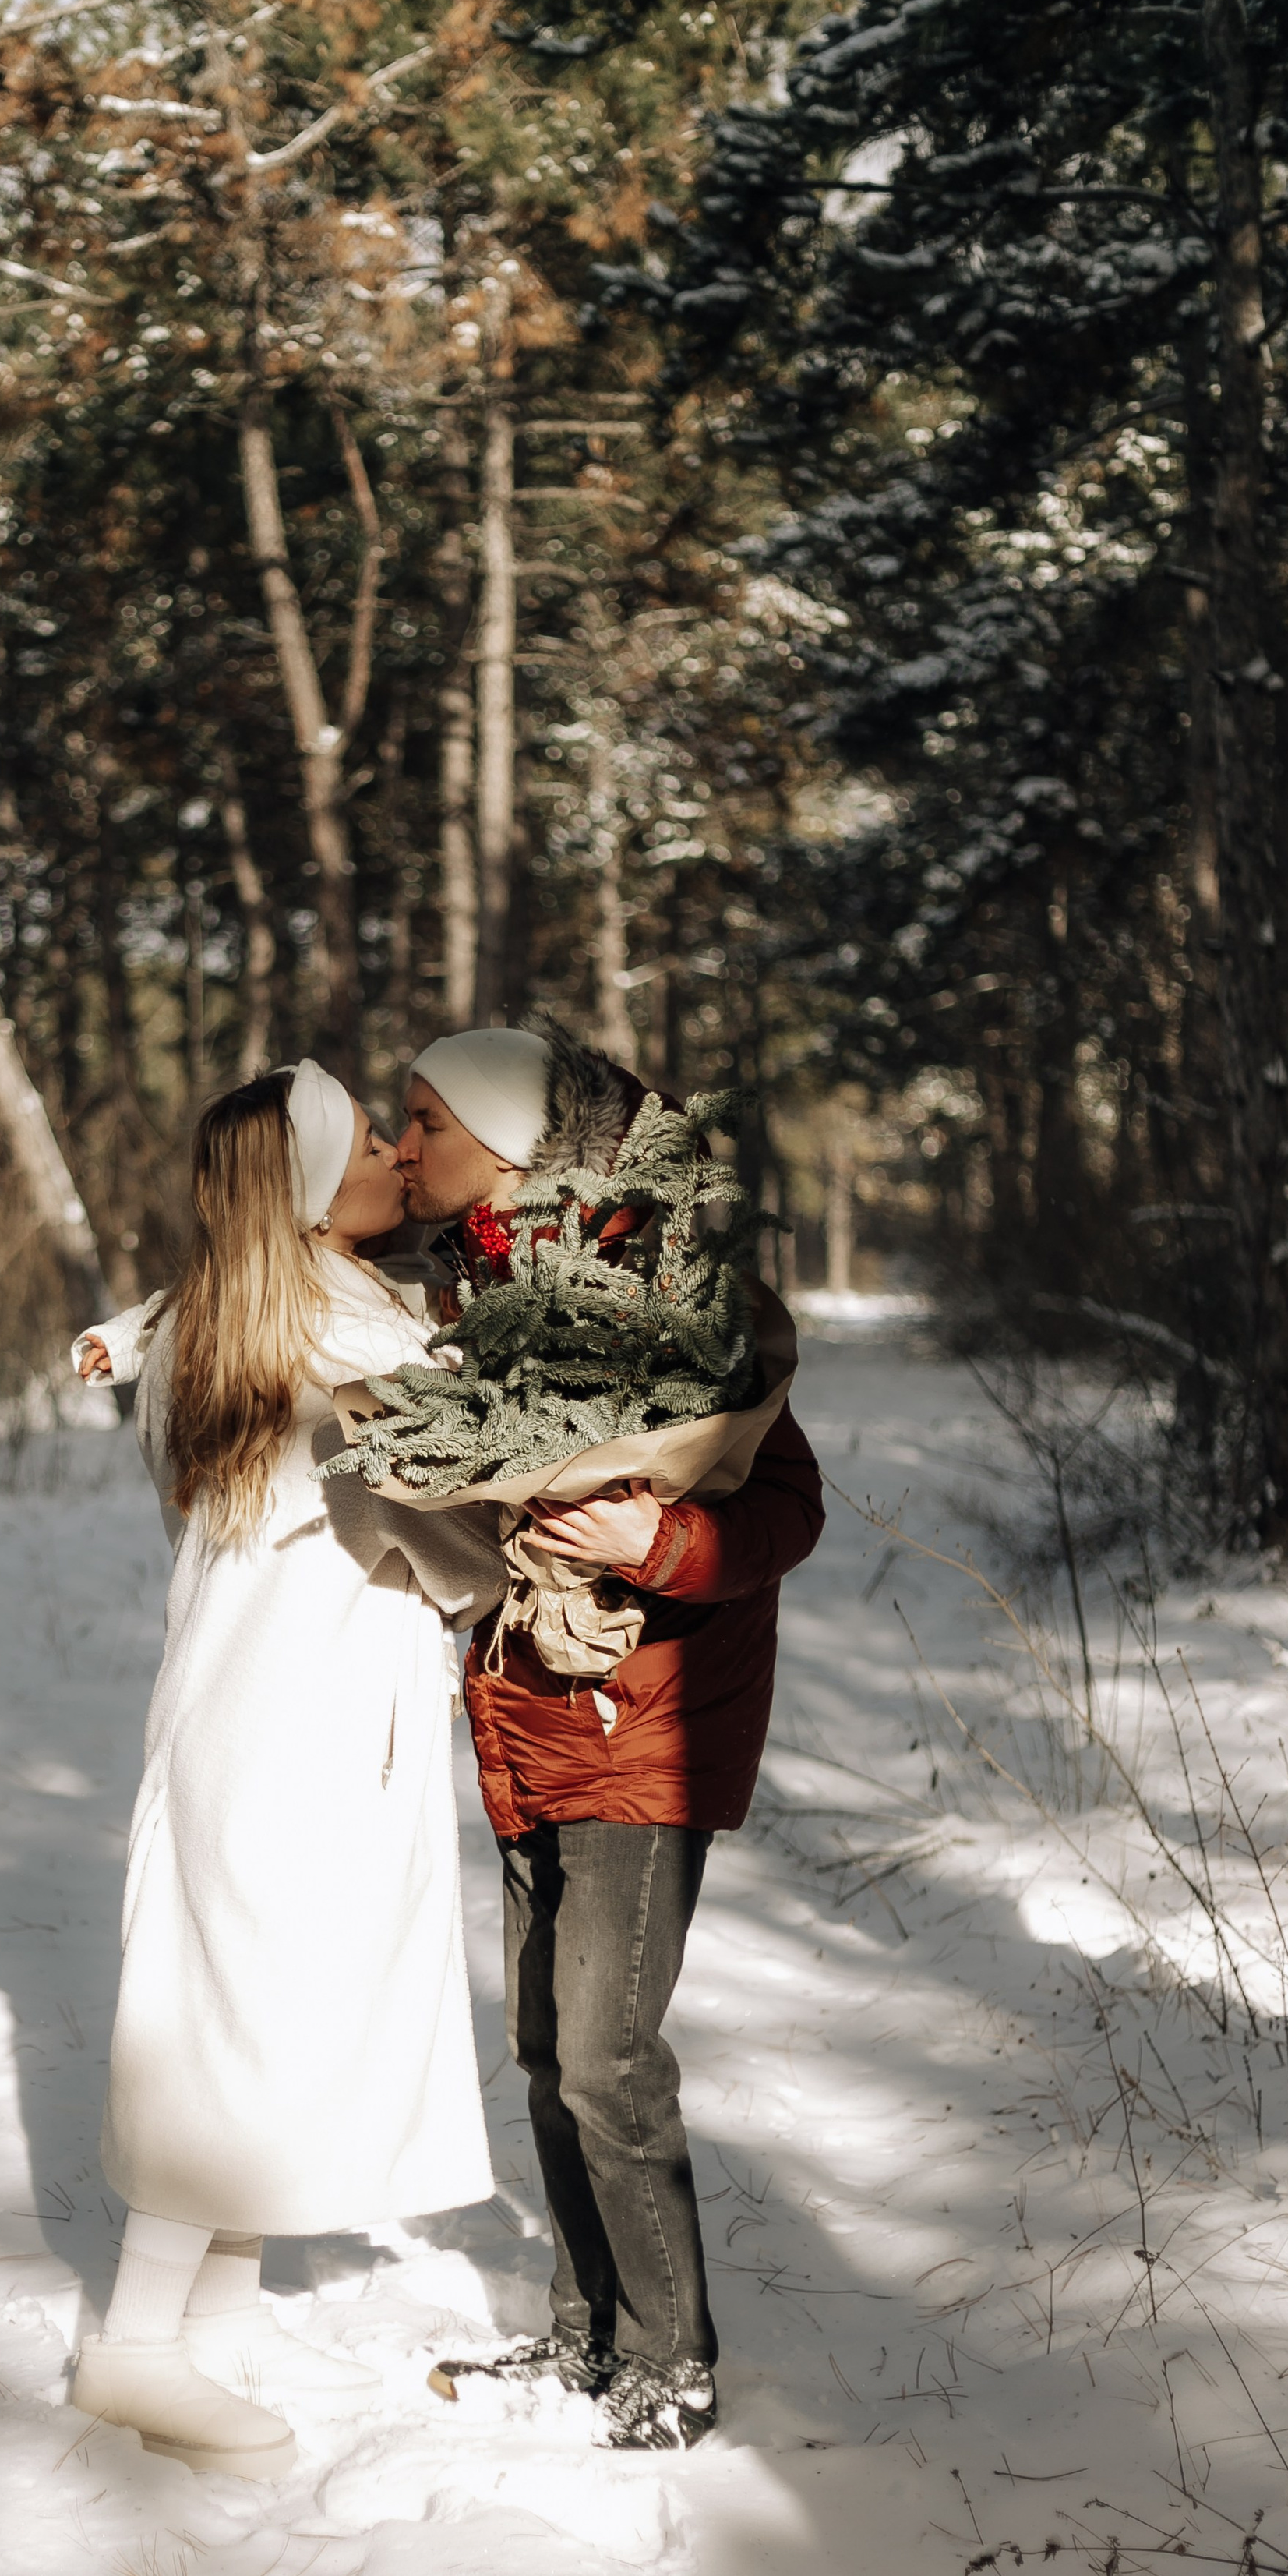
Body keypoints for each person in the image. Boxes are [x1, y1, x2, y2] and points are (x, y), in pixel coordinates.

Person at [393, 1028, 825, 2451]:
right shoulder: (482, 1298)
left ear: (514, 1144)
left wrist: (659, 1533)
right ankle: (585, 2341)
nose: (403, 1149)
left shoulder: (670, 1291)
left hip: (649, 1729)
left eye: (425, 1122)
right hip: (526, 1713)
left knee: (606, 2057)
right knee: (541, 2049)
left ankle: (674, 2363)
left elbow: (784, 1509)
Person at [69, 1062, 500, 2479]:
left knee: (261, 1989)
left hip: (272, 1708)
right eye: (376, 1140)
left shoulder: (261, 1317)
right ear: (315, 1196)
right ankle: (133, 2345)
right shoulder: (325, 1335)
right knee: (232, 2004)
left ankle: (218, 2301)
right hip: (281, 1721)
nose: (397, 1153)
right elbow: (462, 1493)